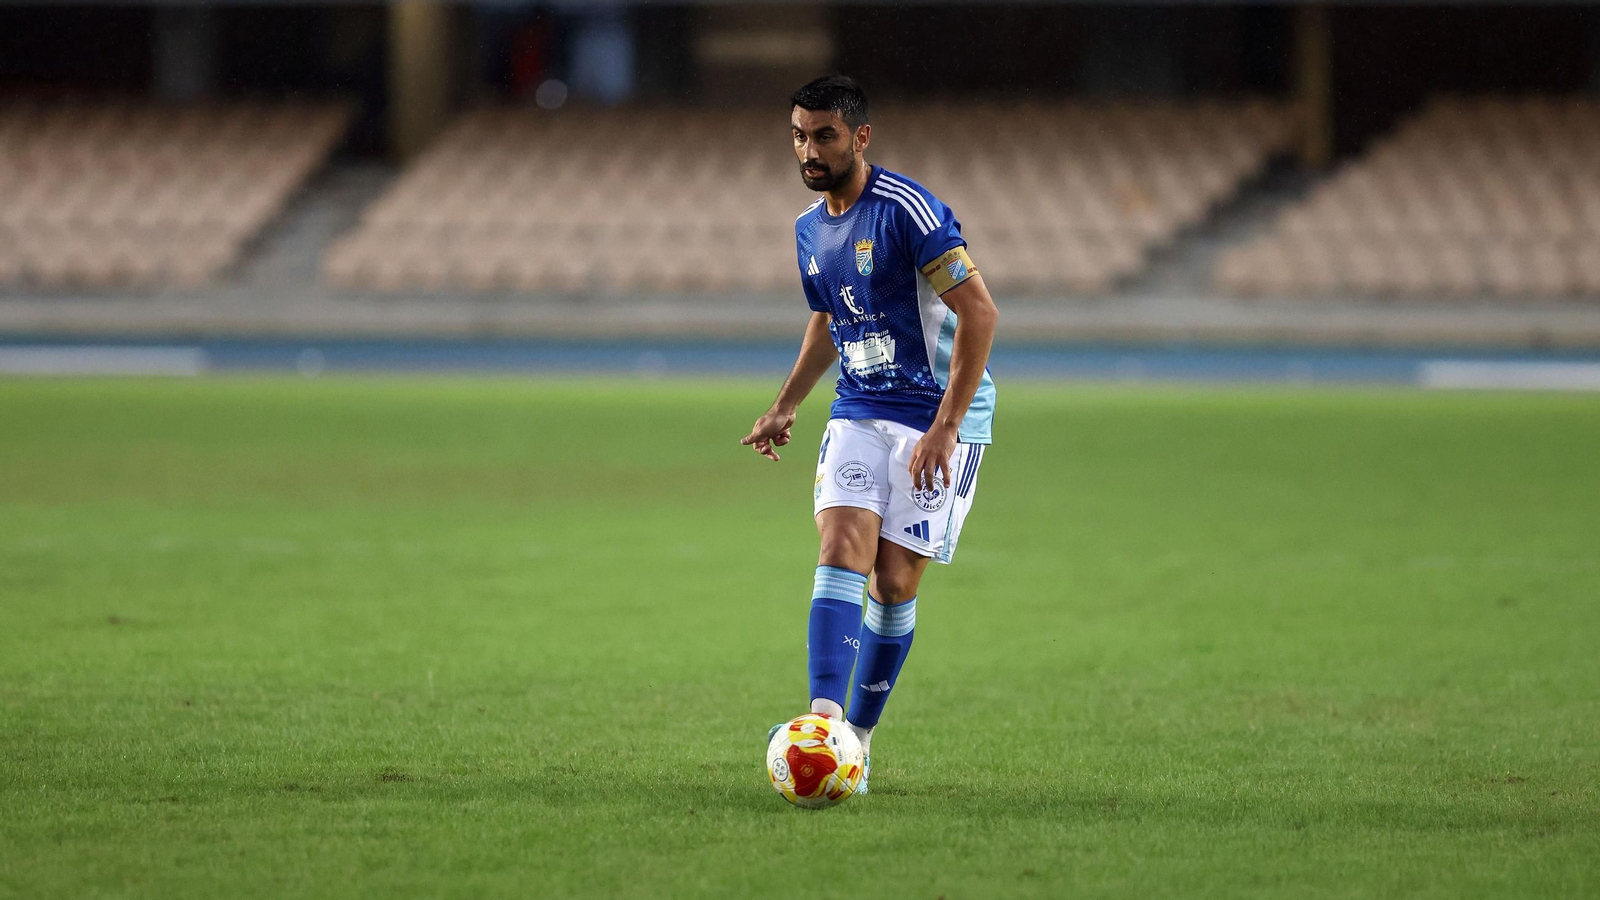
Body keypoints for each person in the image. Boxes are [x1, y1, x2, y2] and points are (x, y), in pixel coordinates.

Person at [741, 75, 999, 794]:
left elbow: (980, 313)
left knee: (892, 582)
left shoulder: (909, 211)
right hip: (857, 407)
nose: (809, 150)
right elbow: (831, 317)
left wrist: (945, 427)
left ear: (860, 137)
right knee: (839, 548)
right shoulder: (807, 228)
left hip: (937, 416)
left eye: (824, 135)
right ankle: (825, 725)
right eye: (799, 136)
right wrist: (786, 403)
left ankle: (859, 734)